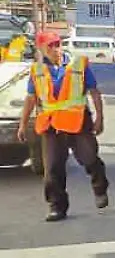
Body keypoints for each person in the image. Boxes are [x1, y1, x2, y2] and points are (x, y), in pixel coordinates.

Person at [17, 31, 108, 222]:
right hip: (51, 125)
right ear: (41, 48)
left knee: (90, 158)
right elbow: (31, 99)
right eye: (50, 45)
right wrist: (22, 124)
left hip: (78, 122)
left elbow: (94, 92)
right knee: (52, 169)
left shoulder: (79, 65)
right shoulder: (37, 71)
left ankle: (99, 187)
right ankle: (56, 207)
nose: (55, 48)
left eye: (57, 43)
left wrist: (100, 117)